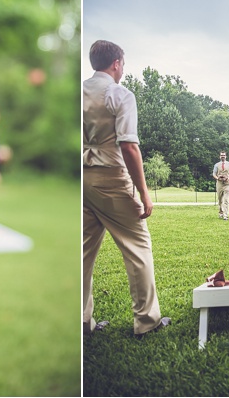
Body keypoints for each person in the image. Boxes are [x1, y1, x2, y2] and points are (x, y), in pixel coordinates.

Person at [83, 40, 170, 337]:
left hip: (82, 178)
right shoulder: (119, 94)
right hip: (111, 177)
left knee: (83, 252)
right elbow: (129, 146)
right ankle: (147, 321)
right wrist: (144, 192)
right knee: (138, 246)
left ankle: (82, 321)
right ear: (117, 63)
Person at [213, 151, 229, 220]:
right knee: (220, 200)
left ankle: (226, 215)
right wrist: (218, 178)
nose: (222, 156)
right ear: (220, 156)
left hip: (227, 184)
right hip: (219, 184)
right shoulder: (216, 165)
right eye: (221, 155)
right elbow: (214, 174)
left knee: (226, 200)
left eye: (224, 155)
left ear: (226, 156)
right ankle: (221, 212)